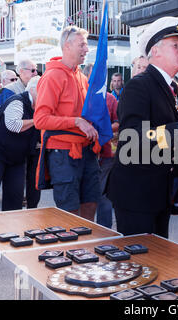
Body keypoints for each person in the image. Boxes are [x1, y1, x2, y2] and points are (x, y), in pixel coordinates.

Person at [107, 16, 178, 238]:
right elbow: (134, 141)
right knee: (139, 262)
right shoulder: (139, 86)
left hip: (157, 191)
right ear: (155, 51)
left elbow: (165, 141)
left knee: (157, 261)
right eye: (175, 45)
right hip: (136, 194)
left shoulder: (170, 87)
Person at [34, 25, 101, 221]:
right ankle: (72, 250)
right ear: (67, 46)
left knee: (91, 202)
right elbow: (40, 119)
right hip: (63, 153)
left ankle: (86, 249)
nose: (86, 50)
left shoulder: (81, 76)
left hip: (86, 150)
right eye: (82, 45)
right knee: (69, 213)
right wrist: (77, 122)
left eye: (86, 45)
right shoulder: (53, 76)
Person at [0, 76, 40, 213]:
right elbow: (13, 125)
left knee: (15, 198)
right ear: (33, 90)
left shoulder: (38, 107)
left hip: (17, 157)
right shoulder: (17, 101)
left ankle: (10, 233)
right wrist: (36, 120)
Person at [0, 59, 40, 209]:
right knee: (16, 185)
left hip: (34, 144)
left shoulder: (37, 87)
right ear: (21, 71)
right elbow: (9, 122)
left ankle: (31, 210)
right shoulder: (10, 90)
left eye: (36, 70)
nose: (35, 72)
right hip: (16, 145)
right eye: (33, 70)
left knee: (34, 182)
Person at [82, 63, 119, 228]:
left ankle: (104, 231)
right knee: (86, 194)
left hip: (106, 154)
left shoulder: (110, 98)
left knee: (104, 195)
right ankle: (85, 228)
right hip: (84, 152)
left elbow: (119, 121)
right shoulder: (83, 96)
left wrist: (104, 131)